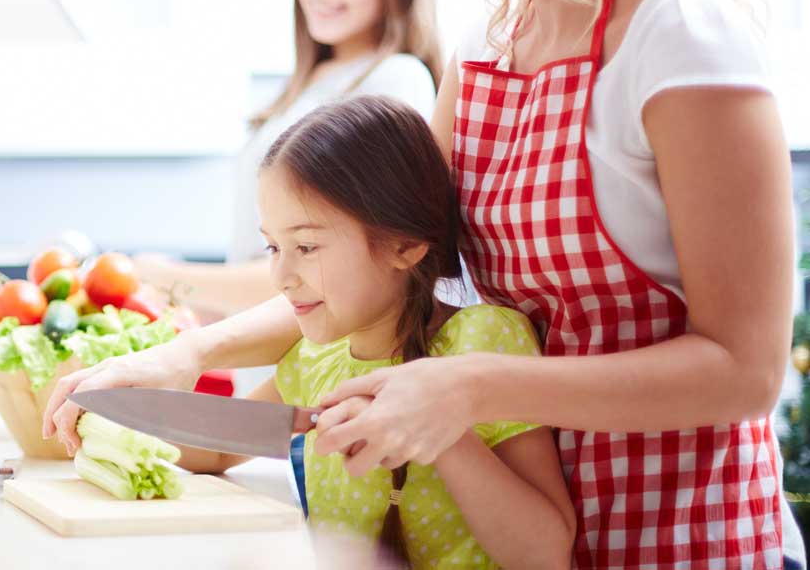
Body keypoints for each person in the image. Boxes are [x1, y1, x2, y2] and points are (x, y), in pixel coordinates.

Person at [46, 0, 799, 565]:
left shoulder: (679, 31)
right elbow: (369, 262)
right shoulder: (491, 44)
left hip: (681, 539)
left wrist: (469, 389)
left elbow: (745, 369)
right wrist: (185, 356)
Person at [169, 96, 573, 567]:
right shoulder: (316, 358)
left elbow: (545, 553)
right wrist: (102, 423)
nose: (281, 275)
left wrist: (438, 432)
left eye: (306, 245)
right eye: (273, 246)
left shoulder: (483, 342)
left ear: (405, 245)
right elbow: (218, 450)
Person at [132, 0, 440, 325]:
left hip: (325, 379)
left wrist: (167, 277)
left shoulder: (395, 81)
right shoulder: (306, 86)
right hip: (268, 369)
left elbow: (327, 271)